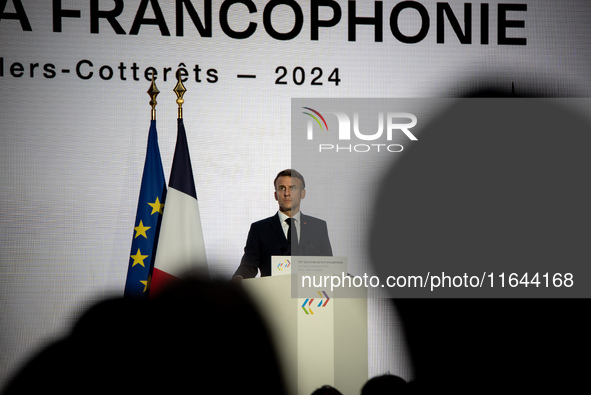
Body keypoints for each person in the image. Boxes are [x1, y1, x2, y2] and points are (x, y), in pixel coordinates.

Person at [233, 169, 332, 279]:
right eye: (282, 188)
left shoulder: (318, 227)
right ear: (276, 195)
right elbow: (249, 265)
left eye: (292, 188)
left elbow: (328, 265)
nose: (287, 193)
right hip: (271, 294)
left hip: (309, 293)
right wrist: (239, 277)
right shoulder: (259, 229)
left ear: (302, 193)